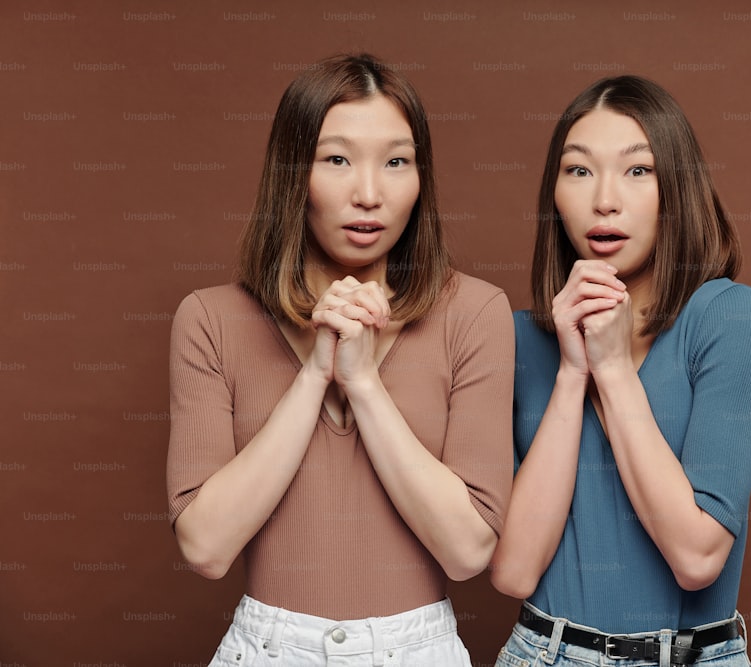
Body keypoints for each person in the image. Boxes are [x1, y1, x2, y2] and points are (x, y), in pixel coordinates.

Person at [166, 54, 514, 667]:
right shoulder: (212, 320)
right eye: (337, 159)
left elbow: (468, 551)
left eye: (397, 161)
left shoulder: (476, 313)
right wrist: (315, 373)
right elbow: (206, 547)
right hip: (268, 648)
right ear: (292, 173)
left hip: (418, 649)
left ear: (420, 177)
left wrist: (364, 384)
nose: (370, 194)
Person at [490, 75, 751, 667]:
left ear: (676, 188)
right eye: (579, 170)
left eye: (637, 170)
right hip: (545, 652)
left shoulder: (726, 316)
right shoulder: (520, 338)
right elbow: (515, 572)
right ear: (555, 194)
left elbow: (697, 559)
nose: (604, 200)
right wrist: (573, 372)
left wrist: (614, 370)